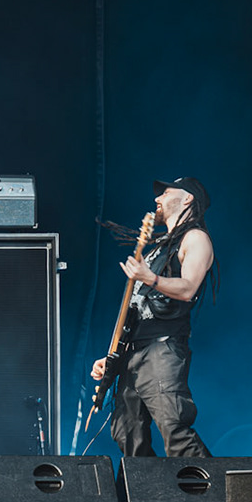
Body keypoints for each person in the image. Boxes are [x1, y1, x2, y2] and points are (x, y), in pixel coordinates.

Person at [90, 177, 216, 457]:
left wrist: (150, 278)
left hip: (161, 349)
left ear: (187, 199)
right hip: (132, 352)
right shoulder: (159, 248)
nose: (157, 199)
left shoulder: (195, 238)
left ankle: (212, 486)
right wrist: (112, 355)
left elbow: (188, 288)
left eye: (166, 192)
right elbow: (134, 309)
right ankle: (152, 487)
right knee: (126, 433)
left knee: (174, 428)